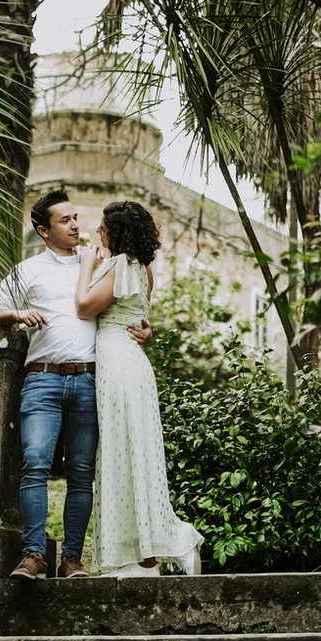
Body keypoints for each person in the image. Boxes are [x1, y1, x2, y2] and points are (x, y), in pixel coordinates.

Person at [0, 190, 150, 581]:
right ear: (44, 230)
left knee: (81, 473)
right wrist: (17, 314)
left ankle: (72, 559)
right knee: (35, 464)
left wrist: (146, 331)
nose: (76, 225)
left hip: (91, 380)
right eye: (65, 220)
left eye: (76, 217)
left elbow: (130, 306)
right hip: (42, 378)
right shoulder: (27, 270)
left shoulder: (102, 263)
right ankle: (33, 555)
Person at [76, 200, 203, 577]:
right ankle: (144, 557)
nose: (98, 231)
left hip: (118, 364)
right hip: (133, 365)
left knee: (123, 455)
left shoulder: (118, 266)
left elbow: (84, 307)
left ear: (118, 232)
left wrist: (87, 266)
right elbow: (138, 315)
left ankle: (159, 548)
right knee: (134, 456)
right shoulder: (143, 269)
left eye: (103, 227)